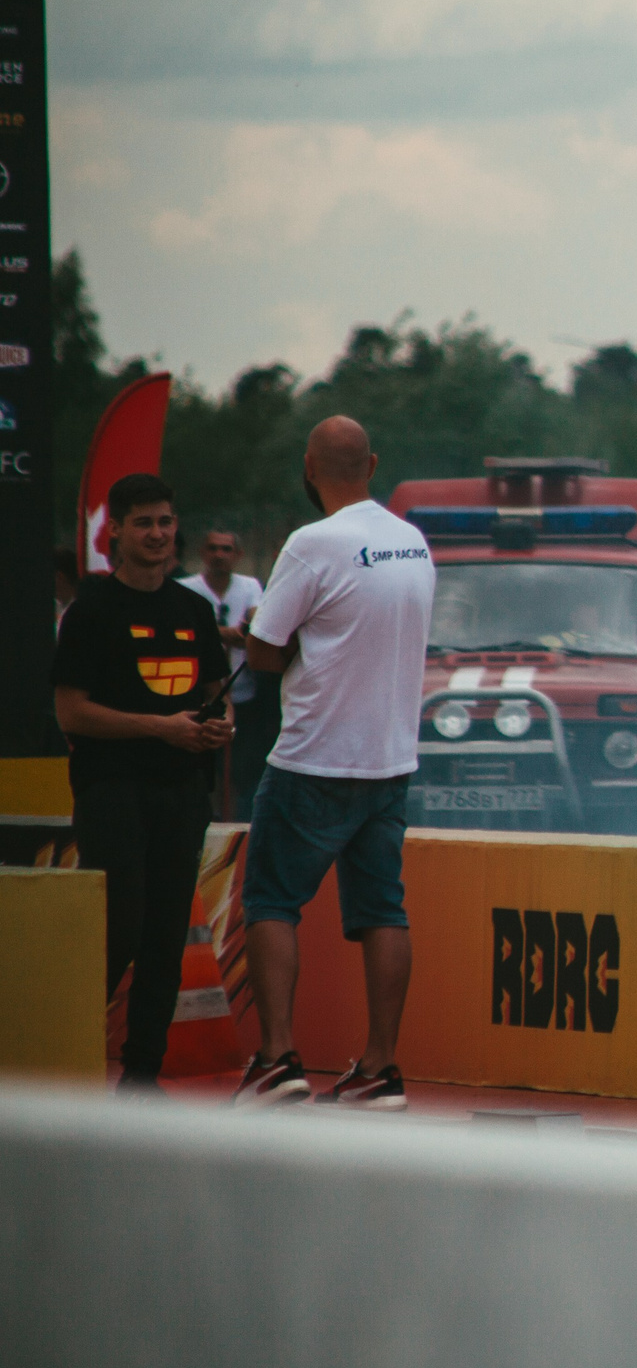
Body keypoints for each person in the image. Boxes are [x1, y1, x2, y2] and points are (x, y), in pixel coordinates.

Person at [234, 417, 436, 1109]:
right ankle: (381, 1067)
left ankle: (277, 1059)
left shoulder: (311, 543)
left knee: (269, 899)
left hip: (314, 756)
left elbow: (263, 650)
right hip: (389, 761)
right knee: (383, 909)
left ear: (309, 467)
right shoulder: (411, 543)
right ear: (372, 463)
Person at [50, 473, 234, 1093]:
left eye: (165, 521)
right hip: (111, 792)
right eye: (143, 524)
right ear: (116, 534)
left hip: (182, 796)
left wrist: (218, 728)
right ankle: (66, 1059)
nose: (157, 534)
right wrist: (161, 729)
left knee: (163, 937)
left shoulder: (194, 610)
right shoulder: (91, 610)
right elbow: (71, 712)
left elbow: (215, 699)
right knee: (118, 927)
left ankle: (141, 1076)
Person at [179, 529, 265, 817]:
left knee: (242, 771)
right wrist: (226, 633)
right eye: (213, 549)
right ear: (203, 553)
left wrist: (226, 633)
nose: (219, 555)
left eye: (226, 549)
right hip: (200, 696)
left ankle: (237, 821)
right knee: (206, 770)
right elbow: (184, 630)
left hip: (244, 696)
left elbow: (255, 624)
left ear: (237, 555)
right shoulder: (186, 588)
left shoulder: (250, 585)